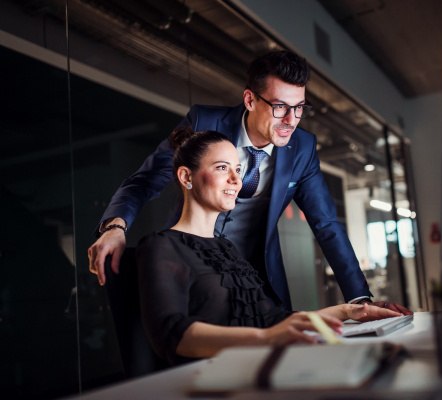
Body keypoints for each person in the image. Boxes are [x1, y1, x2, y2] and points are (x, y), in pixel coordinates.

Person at [89, 50, 412, 315]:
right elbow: (148, 178)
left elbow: (326, 224)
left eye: (300, 108)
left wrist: (359, 300)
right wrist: (115, 227)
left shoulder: (302, 148)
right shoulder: (205, 122)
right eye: (281, 107)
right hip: (192, 267)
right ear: (249, 100)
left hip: (256, 278)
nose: (291, 121)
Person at [138, 127, 402, 365]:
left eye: (237, 169)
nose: (236, 180)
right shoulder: (160, 247)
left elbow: (272, 320)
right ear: (186, 177)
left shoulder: (227, 249)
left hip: (257, 370)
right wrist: (265, 337)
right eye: (221, 168)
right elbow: (171, 333)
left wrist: (350, 311)